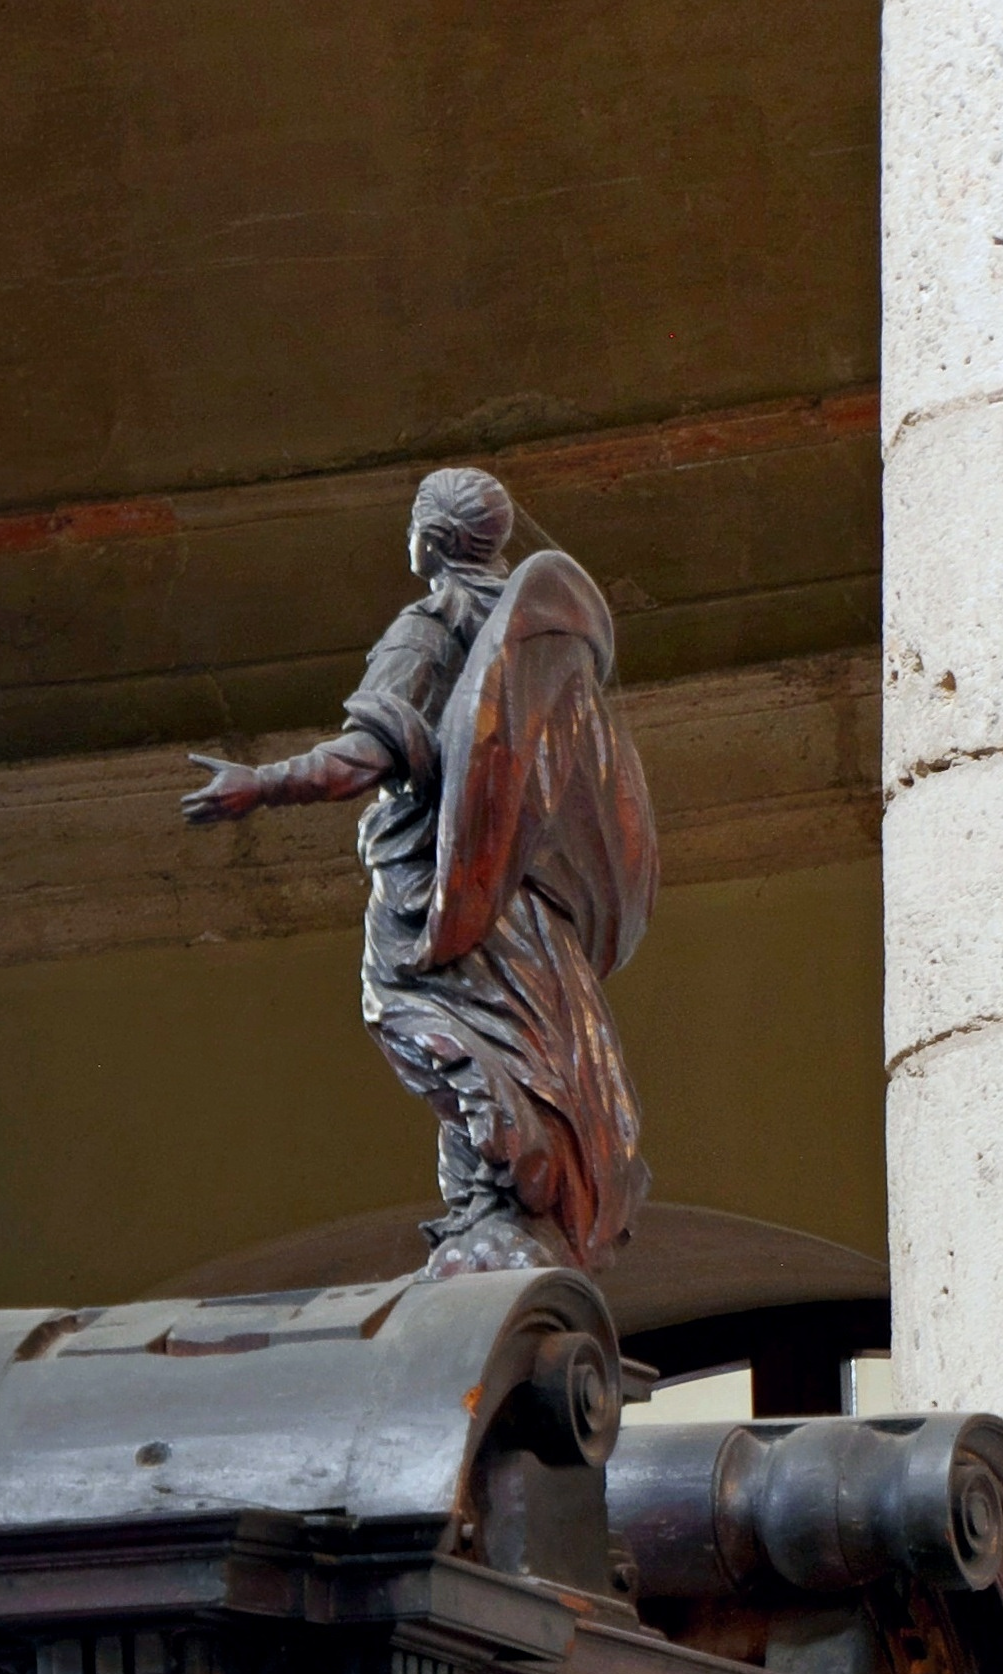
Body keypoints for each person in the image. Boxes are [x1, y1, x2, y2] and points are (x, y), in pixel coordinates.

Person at [177, 466, 654, 1277]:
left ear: (427, 540)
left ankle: (516, 1157)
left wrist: (259, 784)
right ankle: (492, 1200)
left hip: (436, 892)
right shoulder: (540, 634)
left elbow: (362, 757)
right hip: (524, 898)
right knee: (526, 1034)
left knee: (399, 1004)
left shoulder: (428, 628)